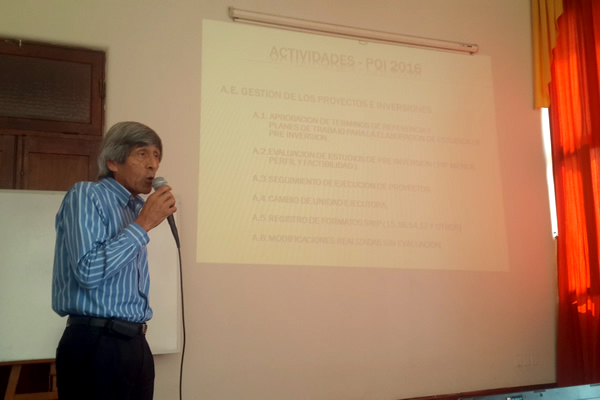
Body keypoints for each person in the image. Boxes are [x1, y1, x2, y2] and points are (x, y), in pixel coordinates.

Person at [51, 121, 176, 400]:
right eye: (142, 154)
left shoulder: (136, 208)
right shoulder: (86, 195)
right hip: (97, 344)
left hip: (136, 344)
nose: (153, 165)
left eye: (157, 155)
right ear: (112, 162)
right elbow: (88, 271)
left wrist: (141, 220)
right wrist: (143, 224)